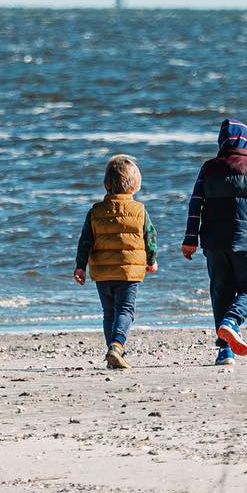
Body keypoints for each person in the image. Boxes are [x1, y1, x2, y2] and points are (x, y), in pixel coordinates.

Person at [181, 119, 247, 366]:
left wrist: (190, 239)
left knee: (220, 292)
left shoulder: (208, 168)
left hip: (213, 242)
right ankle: (232, 321)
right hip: (244, 242)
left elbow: (195, 205)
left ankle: (225, 351)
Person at [73, 154, 158, 369]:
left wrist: (80, 266)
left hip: (102, 273)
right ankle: (117, 346)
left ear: (106, 184)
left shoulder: (96, 211)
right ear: (135, 185)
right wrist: (152, 259)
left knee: (109, 312)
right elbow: (150, 236)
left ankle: (112, 350)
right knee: (125, 310)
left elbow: (85, 240)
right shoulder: (139, 210)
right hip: (129, 273)